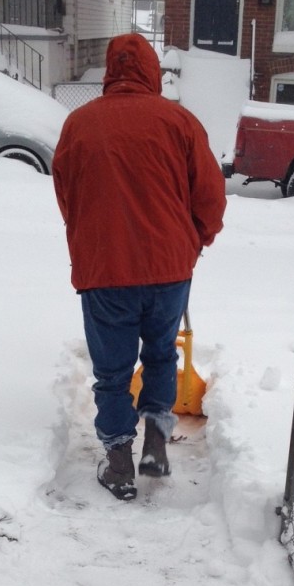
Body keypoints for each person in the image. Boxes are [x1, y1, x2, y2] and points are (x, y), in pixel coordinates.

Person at [52, 33, 226, 501]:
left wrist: (90, 240)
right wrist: (195, 241)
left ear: (110, 71)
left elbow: (68, 196)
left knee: (112, 371)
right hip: (169, 268)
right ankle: (155, 437)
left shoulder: (78, 125)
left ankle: (118, 461)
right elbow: (210, 197)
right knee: (161, 353)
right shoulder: (180, 122)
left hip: (105, 268)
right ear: (152, 71)